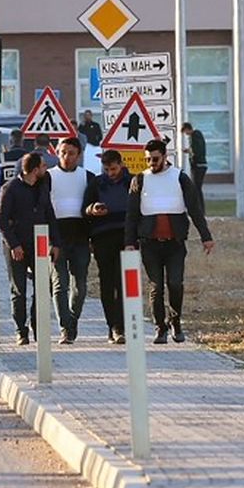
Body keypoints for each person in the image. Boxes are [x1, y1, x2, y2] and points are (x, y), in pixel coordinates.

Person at [124, 139, 214, 344]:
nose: (151, 163)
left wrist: (206, 237)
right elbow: (132, 215)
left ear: (165, 157)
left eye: (155, 159)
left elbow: (195, 210)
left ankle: (175, 321)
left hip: (174, 243)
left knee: (175, 283)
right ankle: (160, 328)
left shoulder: (180, 178)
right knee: (156, 286)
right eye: (147, 159)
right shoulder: (140, 180)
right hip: (150, 243)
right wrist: (129, 242)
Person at [0, 153, 56, 345]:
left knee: (42, 289)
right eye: (43, 166)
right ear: (34, 169)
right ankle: (21, 331)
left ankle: (39, 329)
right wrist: (14, 244)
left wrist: (55, 243)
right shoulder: (11, 188)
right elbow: (1, 219)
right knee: (19, 290)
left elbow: (50, 215)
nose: (46, 169)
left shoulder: (43, 187)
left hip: (39, 246)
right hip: (17, 246)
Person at [84, 149, 133, 344]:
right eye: (106, 169)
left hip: (126, 238)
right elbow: (84, 209)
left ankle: (121, 326)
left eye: (113, 169)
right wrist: (92, 209)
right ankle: (111, 325)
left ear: (121, 164)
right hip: (103, 238)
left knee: (123, 284)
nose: (110, 173)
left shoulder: (132, 182)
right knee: (107, 284)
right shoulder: (97, 183)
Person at [49, 137, 92, 345]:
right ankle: (65, 328)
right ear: (57, 152)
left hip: (80, 237)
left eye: (71, 153)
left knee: (80, 286)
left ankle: (72, 321)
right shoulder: (48, 177)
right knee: (60, 284)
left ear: (79, 155)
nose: (66, 157)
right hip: (56, 237)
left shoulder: (88, 177)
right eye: (63, 152)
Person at [182, 122, 208, 190]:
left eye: (185, 131)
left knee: (197, 187)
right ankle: (198, 200)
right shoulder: (195, 136)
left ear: (187, 129)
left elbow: (197, 150)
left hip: (199, 165)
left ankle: (198, 200)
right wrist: (189, 150)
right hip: (198, 165)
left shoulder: (195, 135)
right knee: (196, 187)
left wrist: (190, 151)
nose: (186, 134)